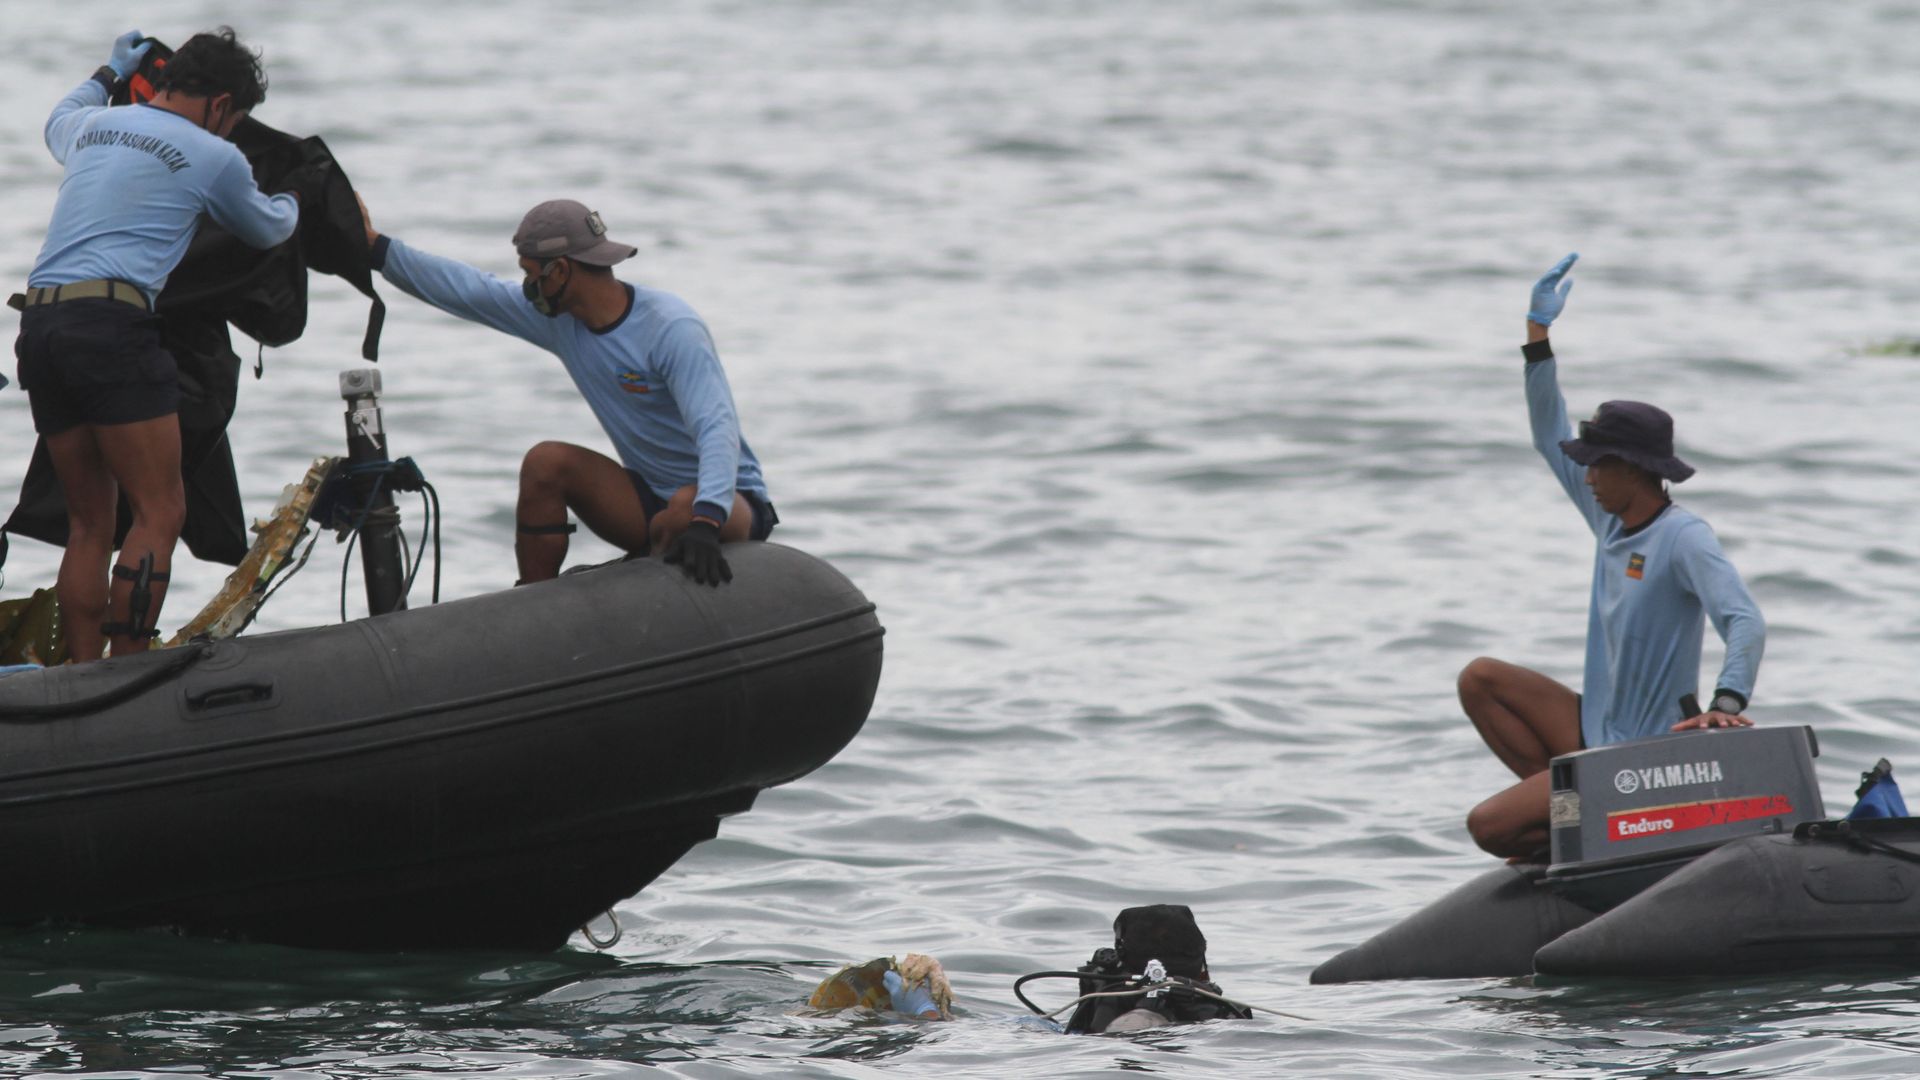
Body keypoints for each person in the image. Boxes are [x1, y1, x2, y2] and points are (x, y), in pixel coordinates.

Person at [1459, 253, 1767, 860]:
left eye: (1597, 463)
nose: (1585, 473)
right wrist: (1537, 339)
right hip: (1594, 732)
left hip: (1644, 757)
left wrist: (1726, 705)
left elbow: (1744, 620)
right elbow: (1548, 434)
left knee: (1488, 828)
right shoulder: (1608, 516)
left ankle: (1578, 822)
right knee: (1481, 679)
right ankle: (1575, 817)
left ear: (1633, 470)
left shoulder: (1684, 537)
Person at [12, 28, 298, 661]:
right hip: (112, 328)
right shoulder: (212, 153)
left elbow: (58, 114)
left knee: (90, 522)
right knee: (161, 509)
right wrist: (296, 198)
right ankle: (128, 672)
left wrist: (108, 72)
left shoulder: (91, 127)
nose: (228, 135)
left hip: (41, 327)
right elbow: (265, 228)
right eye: (234, 122)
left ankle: (81, 677)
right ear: (222, 104)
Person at [356, 199, 774, 587]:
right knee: (546, 462)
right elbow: (468, 289)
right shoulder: (561, 320)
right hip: (647, 499)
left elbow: (716, 428)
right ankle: (534, 604)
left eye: (529, 273)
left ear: (559, 271)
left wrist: (706, 520)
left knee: (684, 506)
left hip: (728, 502)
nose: (525, 286)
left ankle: (659, 564)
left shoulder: (670, 327)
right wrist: (377, 249)